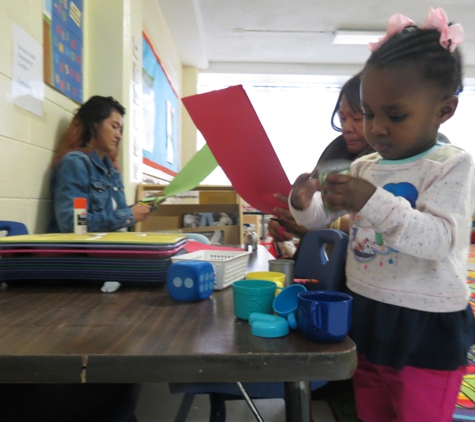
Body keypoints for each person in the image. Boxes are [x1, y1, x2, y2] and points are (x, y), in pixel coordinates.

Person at [289, 8, 475, 422]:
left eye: (396, 115)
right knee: (371, 411)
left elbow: (438, 240)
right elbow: (323, 221)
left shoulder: (450, 165)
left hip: (425, 320)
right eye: (368, 113)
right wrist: (305, 204)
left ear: (444, 111)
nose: (376, 128)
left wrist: (370, 199)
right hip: (368, 309)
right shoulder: (365, 166)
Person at [268, 73, 374, 242]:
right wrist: (294, 213)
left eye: (356, 118)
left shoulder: (386, 165)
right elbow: (320, 213)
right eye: (342, 118)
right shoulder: (335, 154)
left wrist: (328, 226)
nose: (346, 127)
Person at [49, 95, 151, 233]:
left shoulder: (111, 169)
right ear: (93, 125)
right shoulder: (76, 163)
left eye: (120, 129)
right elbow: (73, 224)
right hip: (85, 251)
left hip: (110, 246)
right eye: (114, 127)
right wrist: (129, 215)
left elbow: (115, 216)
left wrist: (143, 206)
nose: (119, 135)